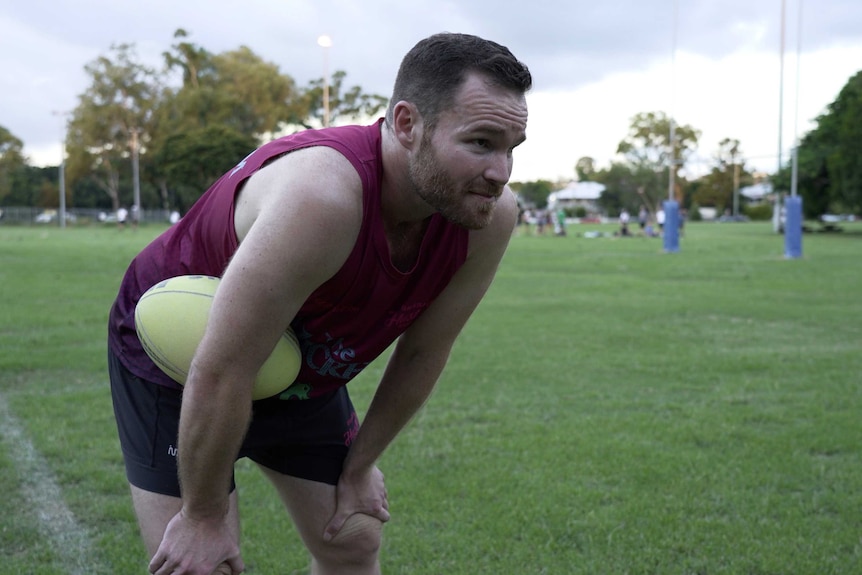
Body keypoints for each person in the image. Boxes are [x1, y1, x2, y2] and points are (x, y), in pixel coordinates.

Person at [107, 32, 531, 575]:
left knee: (352, 539)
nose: (501, 172)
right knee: (201, 566)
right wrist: (204, 514)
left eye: (511, 148)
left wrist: (361, 465)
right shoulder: (324, 197)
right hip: (184, 357)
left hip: (299, 364)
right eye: (480, 143)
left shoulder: (488, 217)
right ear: (407, 124)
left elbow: (426, 351)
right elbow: (224, 365)